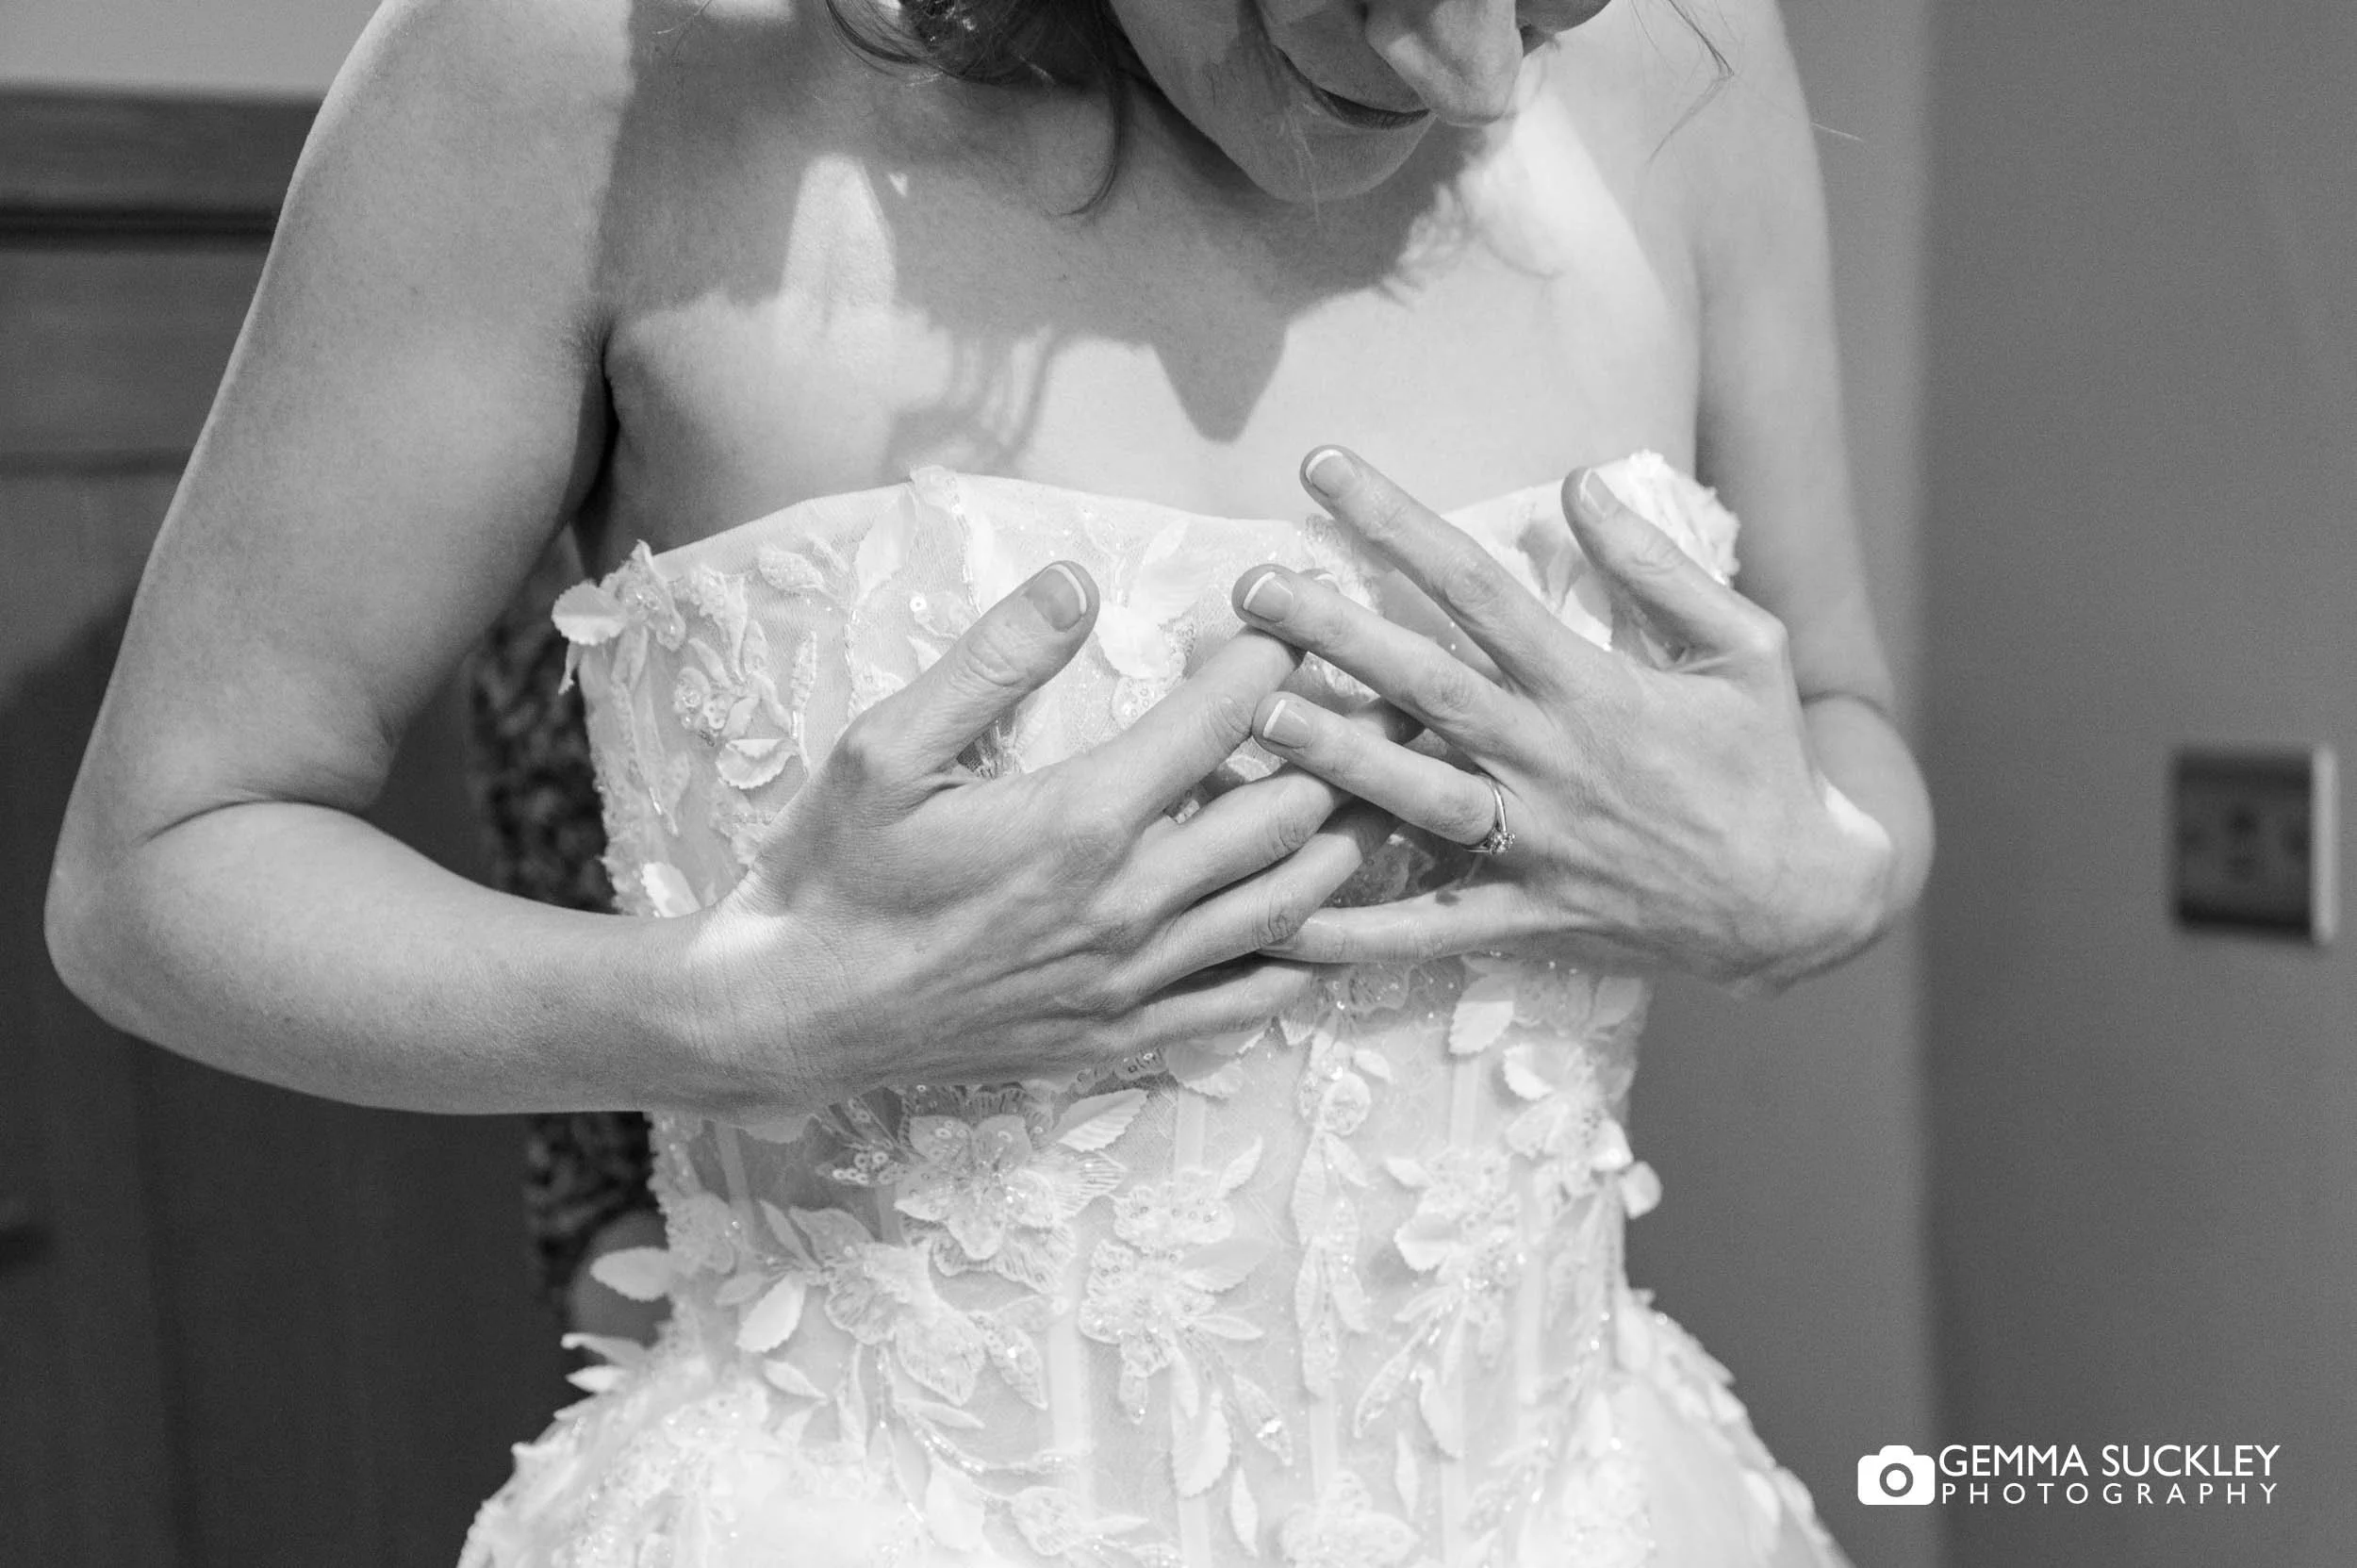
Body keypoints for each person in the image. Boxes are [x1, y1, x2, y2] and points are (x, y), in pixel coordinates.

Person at [44, 0, 1933, 1560]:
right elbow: (162, 866)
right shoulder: (581, 76)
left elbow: (1836, 719)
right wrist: (745, 1006)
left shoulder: (1698, 73)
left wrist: (1816, 874)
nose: (1481, 80)